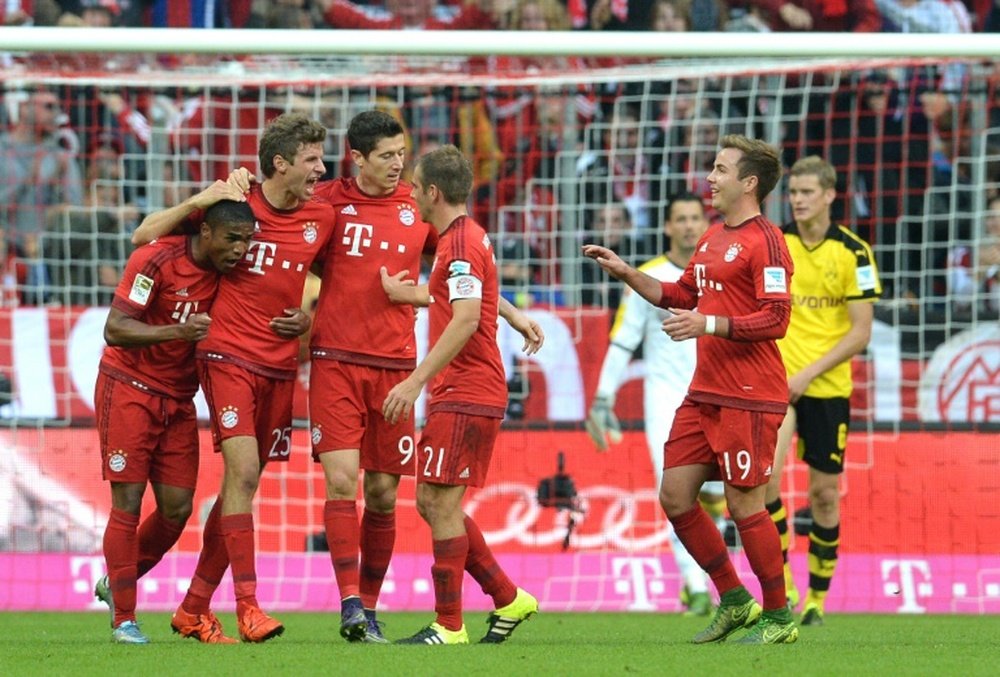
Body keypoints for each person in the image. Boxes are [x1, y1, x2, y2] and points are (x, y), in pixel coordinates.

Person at [227, 110, 542, 643]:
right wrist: (239, 186)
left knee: (381, 493)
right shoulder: (324, 200)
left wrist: (509, 313)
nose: (399, 166)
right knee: (343, 481)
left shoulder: (418, 207)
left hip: (396, 365)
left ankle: (371, 609)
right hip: (334, 361)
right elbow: (275, 226)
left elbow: (459, 275)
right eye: (388, 156)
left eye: (403, 155)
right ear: (358, 158)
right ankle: (350, 605)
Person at [583, 134, 798, 644]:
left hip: (749, 393)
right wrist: (627, 272)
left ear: (749, 183)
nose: (710, 177)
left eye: (721, 169)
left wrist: (710, 326)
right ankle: (734, 600)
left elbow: (777, 318)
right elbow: (682, 294)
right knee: (675, 496)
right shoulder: (713, 237)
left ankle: (779, 617)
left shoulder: (767, 241)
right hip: (705, 394)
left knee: (746, 505)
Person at [131, 112, 333, 643]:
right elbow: (144, 236)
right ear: (280, 163)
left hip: (281, 366)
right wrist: (199, 199)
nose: (321, 167)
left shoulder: (323, 217)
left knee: (241, 490)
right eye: (311, 159)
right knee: (241, 474)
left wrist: (309, 319)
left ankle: (194, 606)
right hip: (225, 355)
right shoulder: (233, 205)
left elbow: (339, 283)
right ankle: (249, 606)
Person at [380, 145, 539, 645]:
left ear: (432, 192)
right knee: (431, 501)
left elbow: (467, 317)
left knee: (439, 504)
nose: (408, 192)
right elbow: (467, 298)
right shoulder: (462, 239)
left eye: (414, 184)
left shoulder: (461, 244)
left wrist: (415, 381)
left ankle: (450, 625)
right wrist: (510, 313)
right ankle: (508, 597)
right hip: (462, 389)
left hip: (467, 389)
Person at [93, 196, 255, 644]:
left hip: (180, 400)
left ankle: (115, 581)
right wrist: (177, 332)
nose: (239, 249)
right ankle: (124, 618)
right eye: (232, 239)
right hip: (129, 388)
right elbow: (116, 329)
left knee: (177, 510)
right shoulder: (157, 259)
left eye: (246, 241)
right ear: (205, 233)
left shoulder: (233, 275)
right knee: (126, 502)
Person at [585, 193, 726, 617]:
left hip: (716, 395)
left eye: (694, 218)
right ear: (666, 226)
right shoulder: (649, 278)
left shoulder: (718, 274)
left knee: (718, 497)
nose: (687, 226)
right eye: (679, 218)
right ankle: (695, 586)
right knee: (676, 493)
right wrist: (604, 396)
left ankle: (702, 577)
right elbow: (623, 340)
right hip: (665, 399)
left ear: (705, 224)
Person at [767, 156, 882, 626]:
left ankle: (817, 597)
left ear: (830, 195)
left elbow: (860, 333)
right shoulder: (777, 244)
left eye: (807, 192)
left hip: (827, 387)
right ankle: (785, 583)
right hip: (778, 383)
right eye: (793, 192)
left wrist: (808, 373)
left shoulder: (854, 253)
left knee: (824, 494)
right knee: (764, 482)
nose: (798, 200)